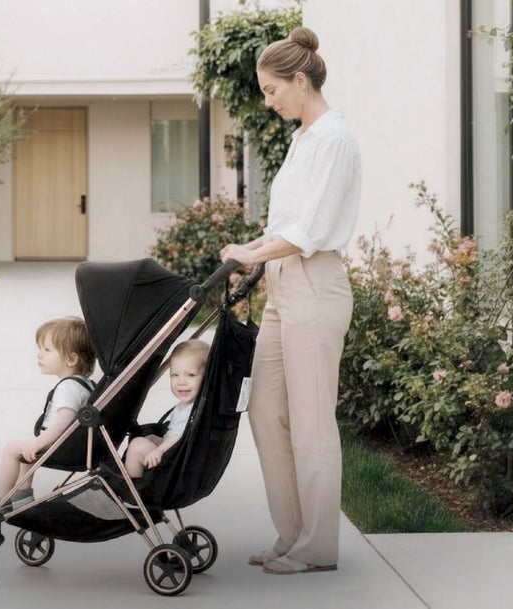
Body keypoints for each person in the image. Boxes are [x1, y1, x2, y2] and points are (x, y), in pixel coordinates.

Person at [219, 26, 361, 575]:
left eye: (271, 90)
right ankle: (292, 532)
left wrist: (251, 255)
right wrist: (248, 252)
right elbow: (287, 224)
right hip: (284, 287)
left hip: (314, 287)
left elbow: (311, 232)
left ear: (299, 80)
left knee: (311, 421)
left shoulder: (334, 139)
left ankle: (317, 546)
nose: (267, 100)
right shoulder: (304, 138)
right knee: (266, 410)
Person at [0, 316, 96, 518]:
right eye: (40, 349)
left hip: (64, 446)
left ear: (72, 359)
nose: (39, 355)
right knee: (27, 451)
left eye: (47, 350)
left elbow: (63, 421)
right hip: (76, 445)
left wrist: (40, 443)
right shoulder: (85, 384)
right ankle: (23, 497)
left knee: (13, 447)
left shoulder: (68, 388)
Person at [124, 339, 209, 478]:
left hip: (176, 463)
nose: (181, 382)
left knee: (137, 445)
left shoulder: (195, 410)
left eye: (191, 375)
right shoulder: (186, 405)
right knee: (149, 438)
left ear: (207, 378)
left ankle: (132, 486)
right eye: (175, 375)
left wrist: (160, 450)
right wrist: (161, 441)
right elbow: (175, 434)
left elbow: (183, 435)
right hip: (175, 453)